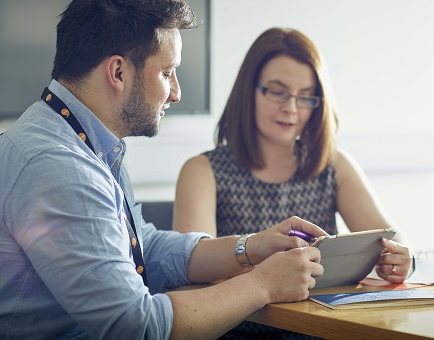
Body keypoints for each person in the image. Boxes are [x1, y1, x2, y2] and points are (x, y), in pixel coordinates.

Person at [0, 0, 327, 340]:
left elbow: (145, 247)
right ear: (118, 72)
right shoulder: (58, 167)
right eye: (167, 73)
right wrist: (263, 285)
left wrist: (249, 248)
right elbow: (136, 326)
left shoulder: (84, 139)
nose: (176, 93)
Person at [173, 27, 413, 338]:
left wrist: (402, 258)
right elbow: (192, 275)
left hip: (324, 328)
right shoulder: (202, 171)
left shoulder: (334, 165)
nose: (291, 108)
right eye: (277, 91)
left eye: (306, 97)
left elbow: (393, 238)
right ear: (250, 90)